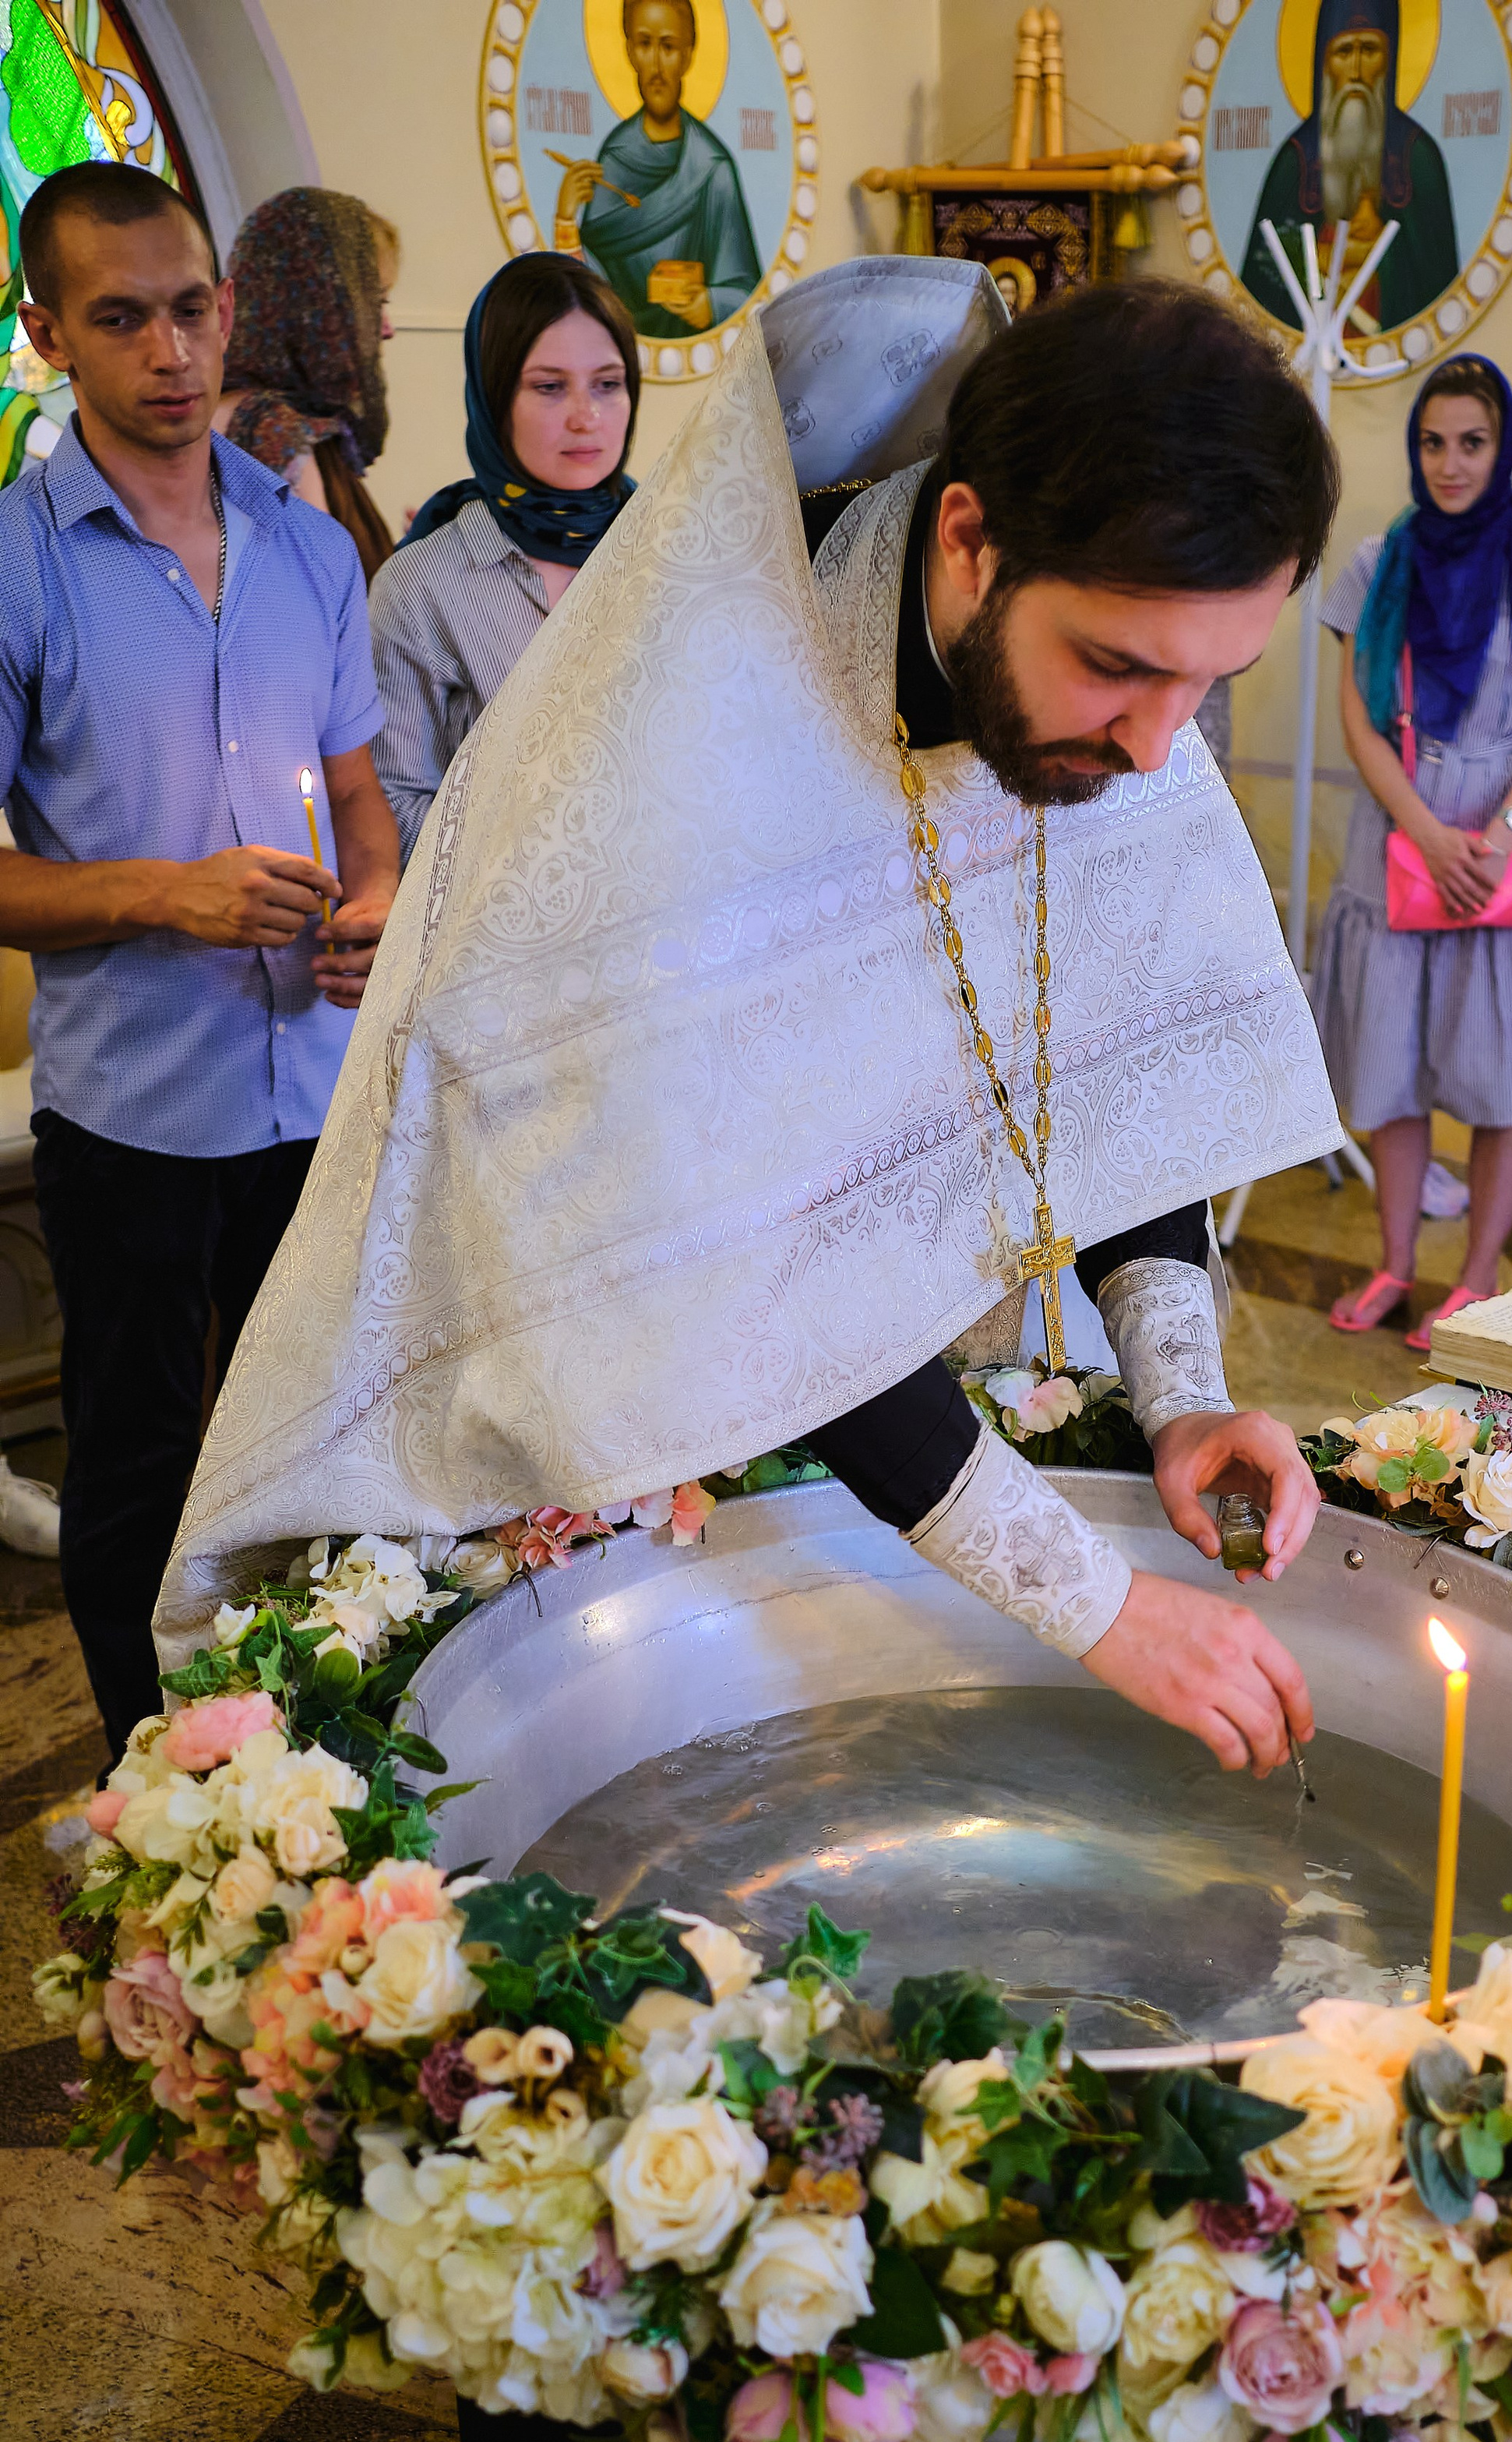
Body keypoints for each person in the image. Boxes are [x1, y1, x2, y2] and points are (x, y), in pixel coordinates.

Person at [165, 266, 1348, 1785]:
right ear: (973, 536)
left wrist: (1180, 1397)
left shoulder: (1113, 710)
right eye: (1121, 670)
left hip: (922, 1413)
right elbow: (748, 1265)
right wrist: (1096, 1604)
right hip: (608, 1403)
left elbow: (1122, 1053)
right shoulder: (691, 742)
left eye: (1210, 683)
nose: (1155, 746)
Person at [0, 161, 400, 1753]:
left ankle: (307, 1767)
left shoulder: (308, 554)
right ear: (48, 334)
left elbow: (363, 801)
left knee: (316, 1444)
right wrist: (174, 898)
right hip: (137, 1117)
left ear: (226, 311)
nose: (167, 352)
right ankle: (152, 1776)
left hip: (311, 1090)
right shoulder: (21, 564)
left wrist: (371, 905)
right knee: (142, 1465)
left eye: (188, 311)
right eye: (120, 319)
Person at [1312, 354, 1512, 1353]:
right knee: (1389, 1070)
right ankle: (1395, 1260)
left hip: (1501, 843)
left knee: (1498, 1075)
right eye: (1433, 442)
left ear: (1502, 445)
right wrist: (1425, 832)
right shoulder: (1377, 562)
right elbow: (1357, 722)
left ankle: (1475, 1279)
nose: (1450, 464)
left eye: (1470, 442)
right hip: (1400, 836)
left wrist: (1498, 836)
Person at [369, 253, 639, 863]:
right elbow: (397, 811)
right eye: (549, 387)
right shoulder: (421, 587)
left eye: (608, 383)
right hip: (505, 941)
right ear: (494, 396)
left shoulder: (677, 546)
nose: (586, 416)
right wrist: (553, 854)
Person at [217, 188, 400, 584]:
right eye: (376, 303)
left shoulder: (256, 414)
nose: (387, 329)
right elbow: (327, 607)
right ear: (320, 305)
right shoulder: (273, 429)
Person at [1244, 0, 1457, 337]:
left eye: (1370, 49)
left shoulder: (1419, 159)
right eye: (1344, 52)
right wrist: (1317, 258)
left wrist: (1380, 259)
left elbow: (1438, 285)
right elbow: (1262, 278)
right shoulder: (1294, 160)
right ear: (1324, 62)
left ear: (1391, 57)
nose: (1356, 71)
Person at [559, 0, 760, 341]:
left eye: (667, 46)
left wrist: (710, 304)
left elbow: (747, 292)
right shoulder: (614, 156)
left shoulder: (713, 168)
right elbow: (590, 288)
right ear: (629, 51)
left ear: (687, 54)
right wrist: (565, 221)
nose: (655, 65)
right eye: (644, 44)